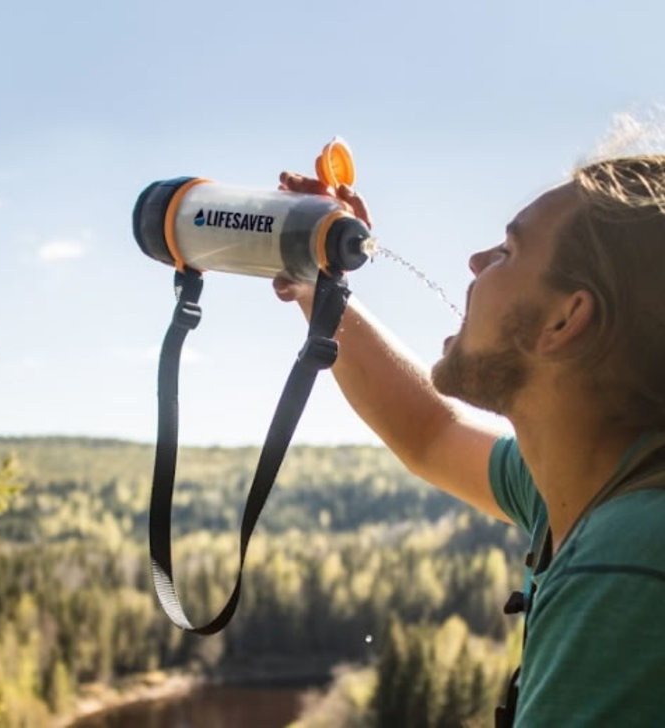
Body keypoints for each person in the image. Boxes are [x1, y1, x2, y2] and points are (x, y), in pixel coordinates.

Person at [275, 157, 665, 726]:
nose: (476, 261)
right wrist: (318, 282)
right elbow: (431, 434)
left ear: (564, 320)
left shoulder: (622, 564)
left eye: (507, 251)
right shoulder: (595, 481)